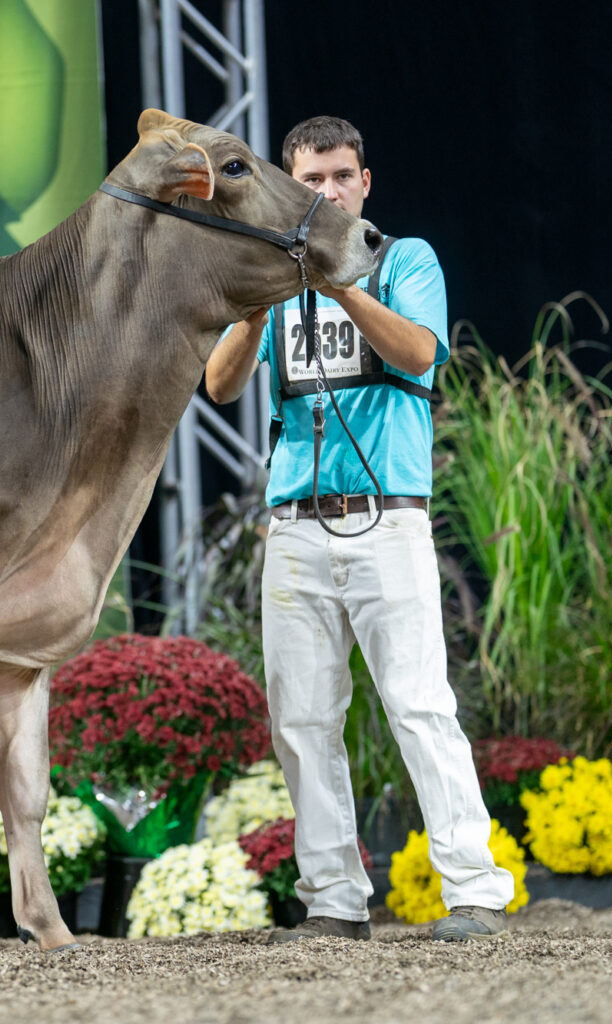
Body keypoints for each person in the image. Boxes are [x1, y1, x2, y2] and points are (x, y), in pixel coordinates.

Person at [205, 116, 514, 942]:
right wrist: (256, 308)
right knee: (302, 722)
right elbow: (221, 385)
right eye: (311, 180)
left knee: (419, 706)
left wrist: (341, 283)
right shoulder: (275, 280)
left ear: (365, 183)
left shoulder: (404, 259)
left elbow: (419, 353)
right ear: (291, 186)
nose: (328, 191)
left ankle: (475, 890)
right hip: (295, 526)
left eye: (342, 176)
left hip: (387, 522)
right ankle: (334, 901)